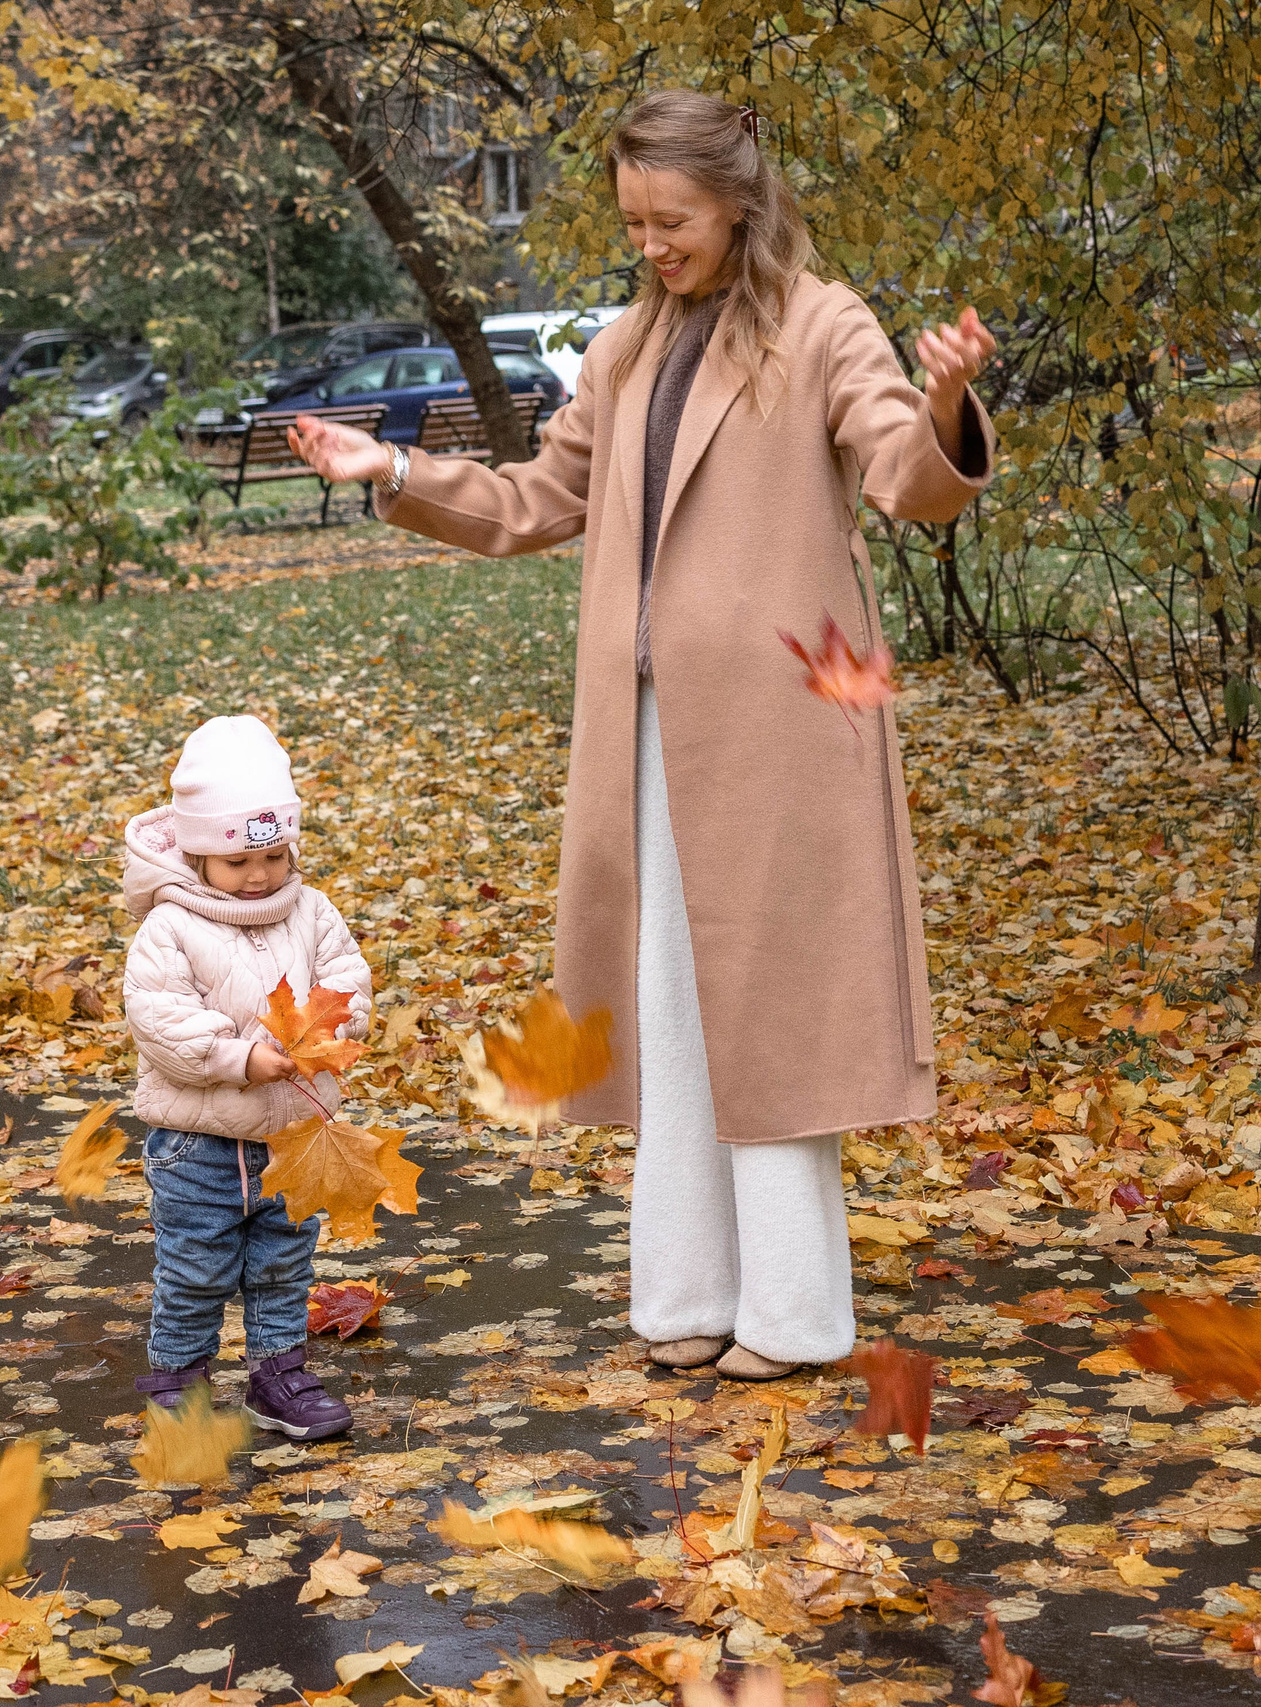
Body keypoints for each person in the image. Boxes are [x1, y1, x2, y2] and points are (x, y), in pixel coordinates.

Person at [287, 91, 997, 1382]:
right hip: (646, 736)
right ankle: (684, 1300)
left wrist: (945, 402)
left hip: (782, 738)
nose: (653, 243)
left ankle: (791, 1316)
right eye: (634, 223)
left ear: (738, 203)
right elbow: (537, 499)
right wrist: (388, 472)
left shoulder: (823, 324)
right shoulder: (622, 348)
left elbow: (908, 476)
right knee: (668, 1013)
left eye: (672, 219)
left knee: (772, 1021)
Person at [121, 715, 372, 1439]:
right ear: (199, 854)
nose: (260, 874)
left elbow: (346, 978)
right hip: (199, 1146)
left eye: (273, 853)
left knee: (281, 1266)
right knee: (195, 1270)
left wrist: (337, 1024)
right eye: (238, 861)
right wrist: (238, 1058)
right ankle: (180, 1383)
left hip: (293, 1136)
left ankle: (277, 1375)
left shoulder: (311, 909)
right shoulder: (171, 928)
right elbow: (160, 1020)